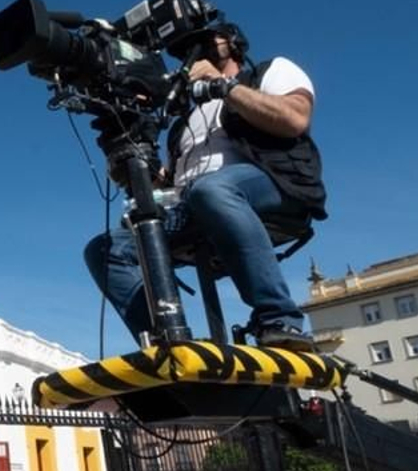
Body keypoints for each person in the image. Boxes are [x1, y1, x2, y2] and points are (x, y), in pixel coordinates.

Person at [84, 23, 324, 351]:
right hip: (196, 204)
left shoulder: (270, 71)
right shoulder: (184, 122)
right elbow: (166, 181)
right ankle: (166, 338)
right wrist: (125, 156)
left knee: (210, 190)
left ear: (235, 42)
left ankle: (279, 318)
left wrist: (224, 86)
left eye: (207, 39)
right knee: (105, 248)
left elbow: (295, 119)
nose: (196, 50)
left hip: (272, 185)